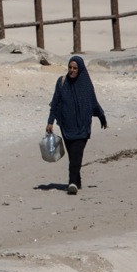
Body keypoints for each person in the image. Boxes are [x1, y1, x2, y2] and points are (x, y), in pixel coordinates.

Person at [46, 56, 107, 195]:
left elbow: (93, 102)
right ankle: (77, 180)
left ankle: (72, 182)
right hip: (66, 126)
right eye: (70, 68)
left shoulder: (85, 84)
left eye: (75, 68)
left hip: (83, 126)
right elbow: (55, 102)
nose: (72, 71)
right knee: (72, 156)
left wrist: (101, 116)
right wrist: (50, 121)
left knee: (76, 153)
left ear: (80, 69)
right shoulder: (62, 82)